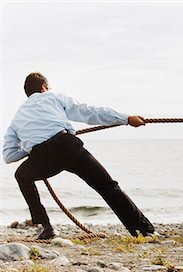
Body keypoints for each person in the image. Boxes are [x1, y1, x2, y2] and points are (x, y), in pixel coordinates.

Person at [3, 72, 155, 239]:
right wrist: (126, 119)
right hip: (67, 146)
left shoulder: (17, 118)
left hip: (41, 156)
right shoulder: (53, 96)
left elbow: (9, 156)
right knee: (108, 186)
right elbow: (89, 112)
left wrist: (30, 146)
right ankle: (143, 231)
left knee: (22, 175)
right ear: (44, 88)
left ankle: (46, 227)